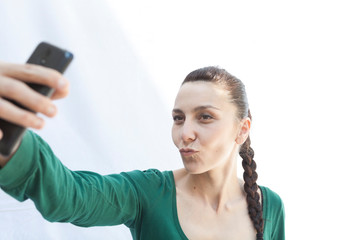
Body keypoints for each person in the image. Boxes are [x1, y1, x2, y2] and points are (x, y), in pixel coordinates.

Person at [0, 61, 285, 240]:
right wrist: (8, 139)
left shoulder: (270, 206)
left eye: (205, 117)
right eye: (178, 118)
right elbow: (69, 195)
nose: (184, 133)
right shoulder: (148, 193)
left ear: (242, 128)